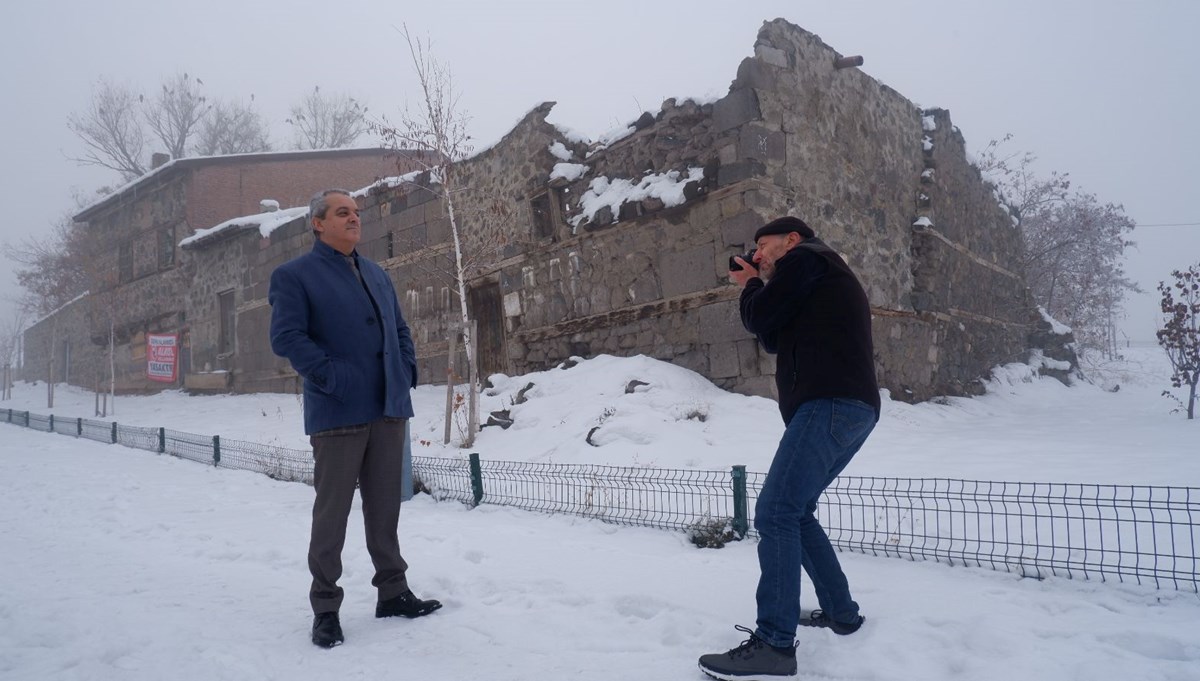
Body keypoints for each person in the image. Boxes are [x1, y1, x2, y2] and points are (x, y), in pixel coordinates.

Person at [699, 216, 880, 680]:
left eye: (764, 246)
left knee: (776, 511)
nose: (758, 254)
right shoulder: (815, 276)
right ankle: (842, 614)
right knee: (795, 512)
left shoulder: (805, 259)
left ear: (791, 240)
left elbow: (760, 316)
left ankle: (775, 645)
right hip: (848, 407)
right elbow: (773, 336)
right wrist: (755, 285)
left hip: (830, 402)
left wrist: (751, 285)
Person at [269, 188, 441, 649]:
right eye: (342, 212)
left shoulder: (377, 274)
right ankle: (325, 608)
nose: (354, 219)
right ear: (318, 223)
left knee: (385, 510)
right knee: (332, 517)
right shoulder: (294, 276)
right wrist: (331, 376)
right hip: (338, 410)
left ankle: (393, 592)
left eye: (357, 213)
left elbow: (400, 329)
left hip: (387, 408)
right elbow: (286, 337)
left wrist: (406, 371)